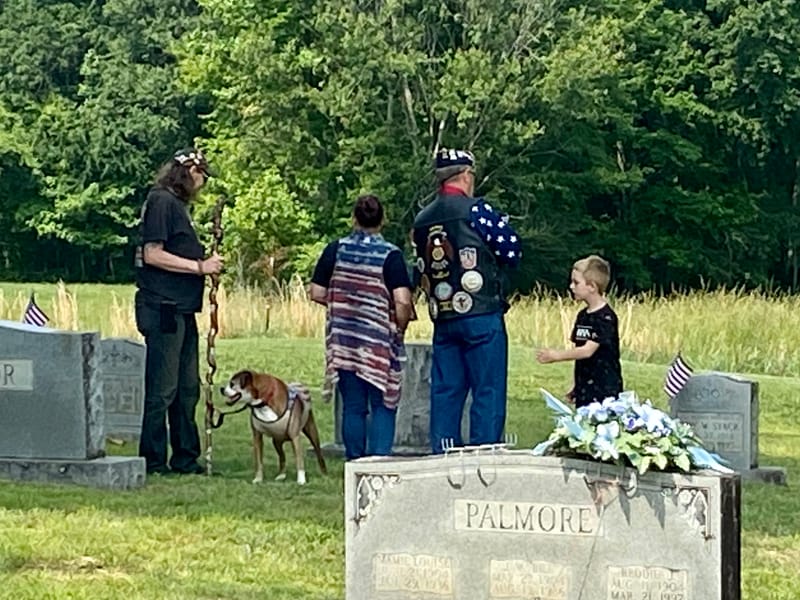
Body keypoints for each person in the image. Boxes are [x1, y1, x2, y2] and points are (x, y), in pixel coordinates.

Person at [412, 148, 522, 453]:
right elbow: (512, 250)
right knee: (487, 389)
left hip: (443, 315)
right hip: (481, 311)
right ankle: (483, 454)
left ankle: (443, 455)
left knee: (446, 391)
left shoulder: (422, 219)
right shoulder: (477, 211)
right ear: (466, 175)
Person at [134, 148, 223, 475]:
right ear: (187, 172)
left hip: (182, 308)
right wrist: (199, 267)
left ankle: (185, 457)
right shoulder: (161, 202)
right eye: (200, 176)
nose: (201, 184)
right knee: (163, 388)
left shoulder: (176, 206)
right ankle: (153, 459)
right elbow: (153, 254)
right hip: (163, 307)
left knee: (187, 387)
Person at [309, 195, 414, 460]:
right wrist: (399, 327)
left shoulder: (336, 249)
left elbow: (316, 291)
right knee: (383, 403)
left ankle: (355, 461)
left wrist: (343, 305)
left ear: (354, 218)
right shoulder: (390, 255)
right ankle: (379, 461)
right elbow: (402, 300)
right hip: (378, 341)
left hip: (344, 340)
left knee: (353, 406)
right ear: (383, 219)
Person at [536, 255, 623, 407]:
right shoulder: (583, 316)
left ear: (592, 287)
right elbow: (579, 351)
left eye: (576, 283)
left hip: (605, 388)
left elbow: (587, 350)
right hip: (585, 387)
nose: (571, 286)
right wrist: (577, 384)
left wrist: (556, 355)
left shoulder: (605, 318)